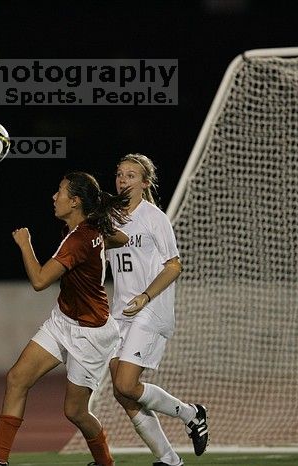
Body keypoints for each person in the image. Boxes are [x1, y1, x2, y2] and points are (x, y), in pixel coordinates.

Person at [0, 172, 130, 466]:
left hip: (91, 333)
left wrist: (25, 243)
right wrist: (99, 236)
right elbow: (121, 238)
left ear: (75, 202)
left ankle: (106, 463)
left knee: (75, 412)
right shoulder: (85, 230)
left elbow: (39, 281)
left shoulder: (77, 239)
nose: (54, 196)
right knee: (17, 378)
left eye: (60, 192)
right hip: (63, 321)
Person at [105, 154, 209, 466]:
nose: (123, 180)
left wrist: (146, 297)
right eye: (120, 174)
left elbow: (174, 266)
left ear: (145, 183)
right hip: (121, 311)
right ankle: (169, 457)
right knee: (123, 392)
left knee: (126, 384)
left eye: (131, 175)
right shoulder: (109, 218)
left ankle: (190, 414)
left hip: (152, 308)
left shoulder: (154, 217)